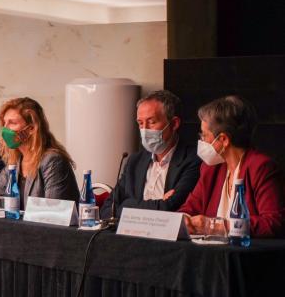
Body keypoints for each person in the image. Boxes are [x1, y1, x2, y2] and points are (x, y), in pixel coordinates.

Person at [179, 96, 285, 237]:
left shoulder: (261, 167)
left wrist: (216, 226)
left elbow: (274, 223)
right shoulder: (210, 168)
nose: (201, 140)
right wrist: (183, 220)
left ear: (223, 140)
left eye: (204, 135)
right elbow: (189, 208)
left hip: (247, 256)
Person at [101, 90, 201, 219]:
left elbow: (170, 209)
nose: (144, 130)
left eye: (152, 122)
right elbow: (107, 210)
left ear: (174, 124)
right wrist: (156, 204)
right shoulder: (135, 161)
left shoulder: (193, 160)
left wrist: (126, 205)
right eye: (140, 123)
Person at [0, 97, 79, 209]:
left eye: (12, 123)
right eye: (4, 123)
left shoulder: (53, 160)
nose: (5, 128)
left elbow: (53, 208)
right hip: (26, 226)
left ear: (31, 128)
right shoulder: (16, 161)